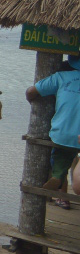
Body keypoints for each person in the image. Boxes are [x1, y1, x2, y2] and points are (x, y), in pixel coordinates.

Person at [26, 54, 80, 205]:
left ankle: (58, 176)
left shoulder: (61, 77)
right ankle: (60, 179)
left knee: (61, 155)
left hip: (62, 132)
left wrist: (32, 102)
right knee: (69, 155)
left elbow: (31, 91)